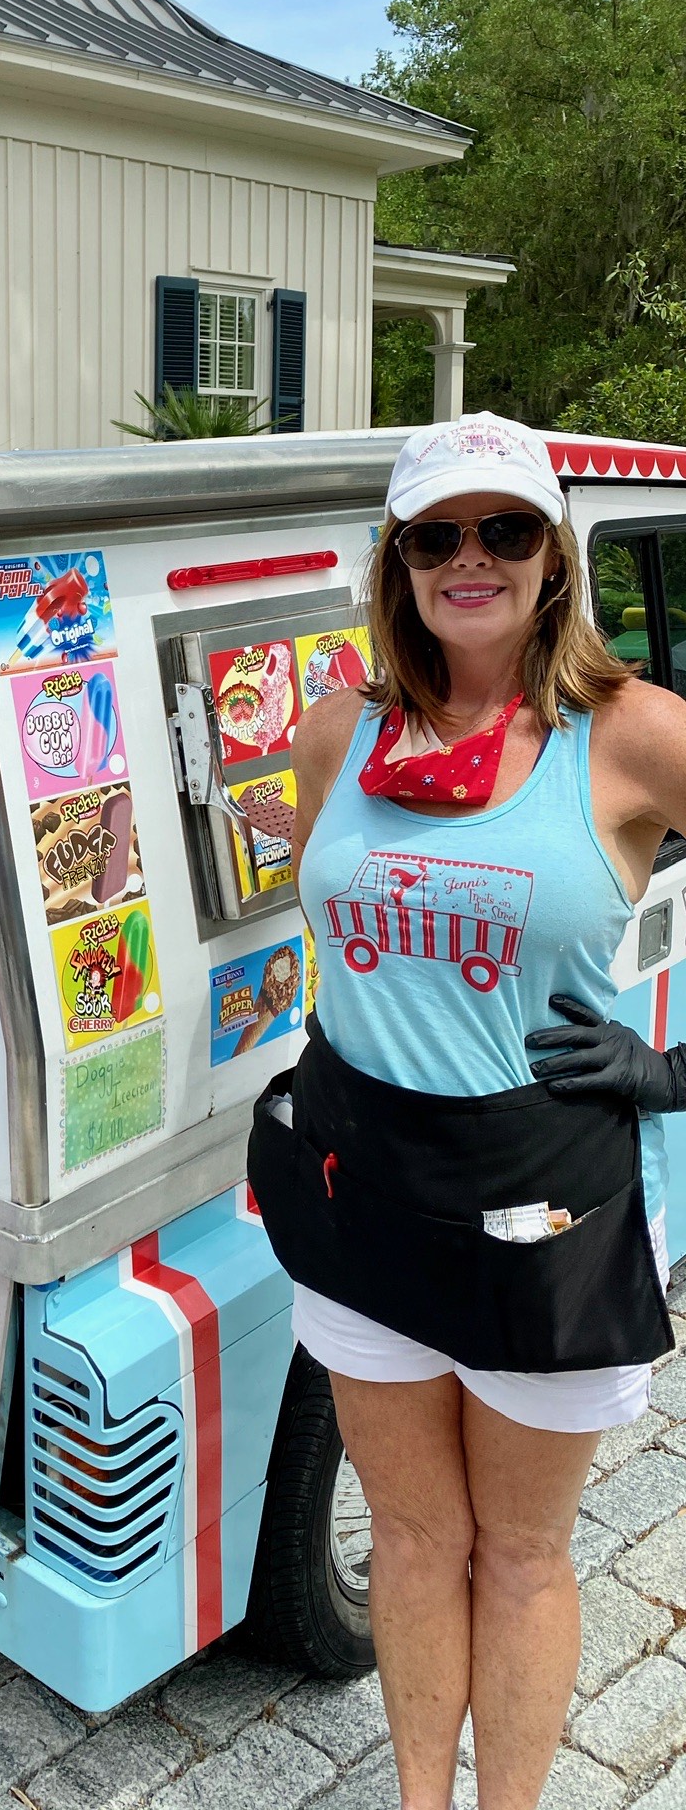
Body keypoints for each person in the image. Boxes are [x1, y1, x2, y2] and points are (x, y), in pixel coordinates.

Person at [251, 411, 686, 1810]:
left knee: (522, 1552)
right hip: (363, 1186)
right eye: (438, 534)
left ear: (552, 554)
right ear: (400, 563)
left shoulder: (629, 737)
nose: (471, 558)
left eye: (504, 528)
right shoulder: (339, 734)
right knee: (415, 1538)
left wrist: (672, 1075)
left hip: (543, 1204)